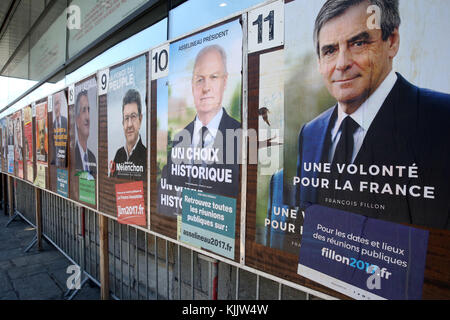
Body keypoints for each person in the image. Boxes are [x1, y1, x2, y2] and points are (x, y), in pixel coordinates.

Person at [296, 0, 450, 229]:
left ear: (392, 41)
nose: (342, 64)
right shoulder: (311, 132)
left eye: (358, 43)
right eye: (330, 50)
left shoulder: (441, 118)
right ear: (319, 62)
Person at [166, 44, 241, 198]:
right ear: (192, 86)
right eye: (200, 79)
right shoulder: (179, 139)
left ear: (225, 82)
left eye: (214, 77)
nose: (206, 87)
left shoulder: (240, 135)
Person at [111, 89, 146, 179]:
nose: (129, 124)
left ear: (140, 119)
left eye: (133, 116)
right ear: (123, 122)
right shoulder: (118, 154)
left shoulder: (147, 157)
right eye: (126, 118)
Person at [75, 90, 97, 176]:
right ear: (77, 120)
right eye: (84, 110)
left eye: (88, 110)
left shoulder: (92, 158)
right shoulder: (73, 156)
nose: (88, 116)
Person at [52, 91, 68, 167]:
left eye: (58, 103)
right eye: (55, 104)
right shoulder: (52, 126)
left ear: (61, 104)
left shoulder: (66, 122)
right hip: (57, 162)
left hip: (64, 161)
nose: (56, 107)